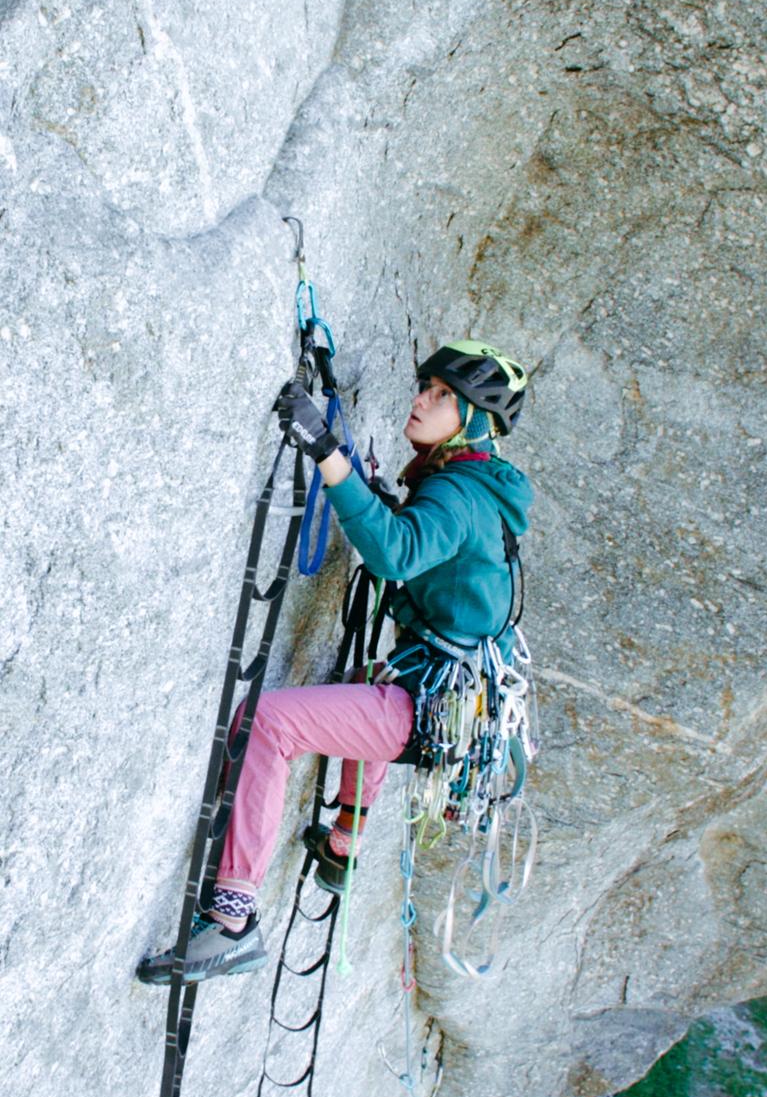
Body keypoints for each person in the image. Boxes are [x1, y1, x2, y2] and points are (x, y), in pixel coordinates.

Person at [137, 341, 532, 985]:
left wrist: (328, 457)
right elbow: (427, 546)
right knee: (360, 687)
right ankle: (343, 844)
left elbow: (398, 555)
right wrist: (370, 491)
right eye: (425, 386)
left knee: (265, 721)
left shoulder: (458, 495)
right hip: (445, 697)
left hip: (428, 706)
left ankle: (234, 920)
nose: (420, 399)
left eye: (440, 396)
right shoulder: (475, 486)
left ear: (473, 421)